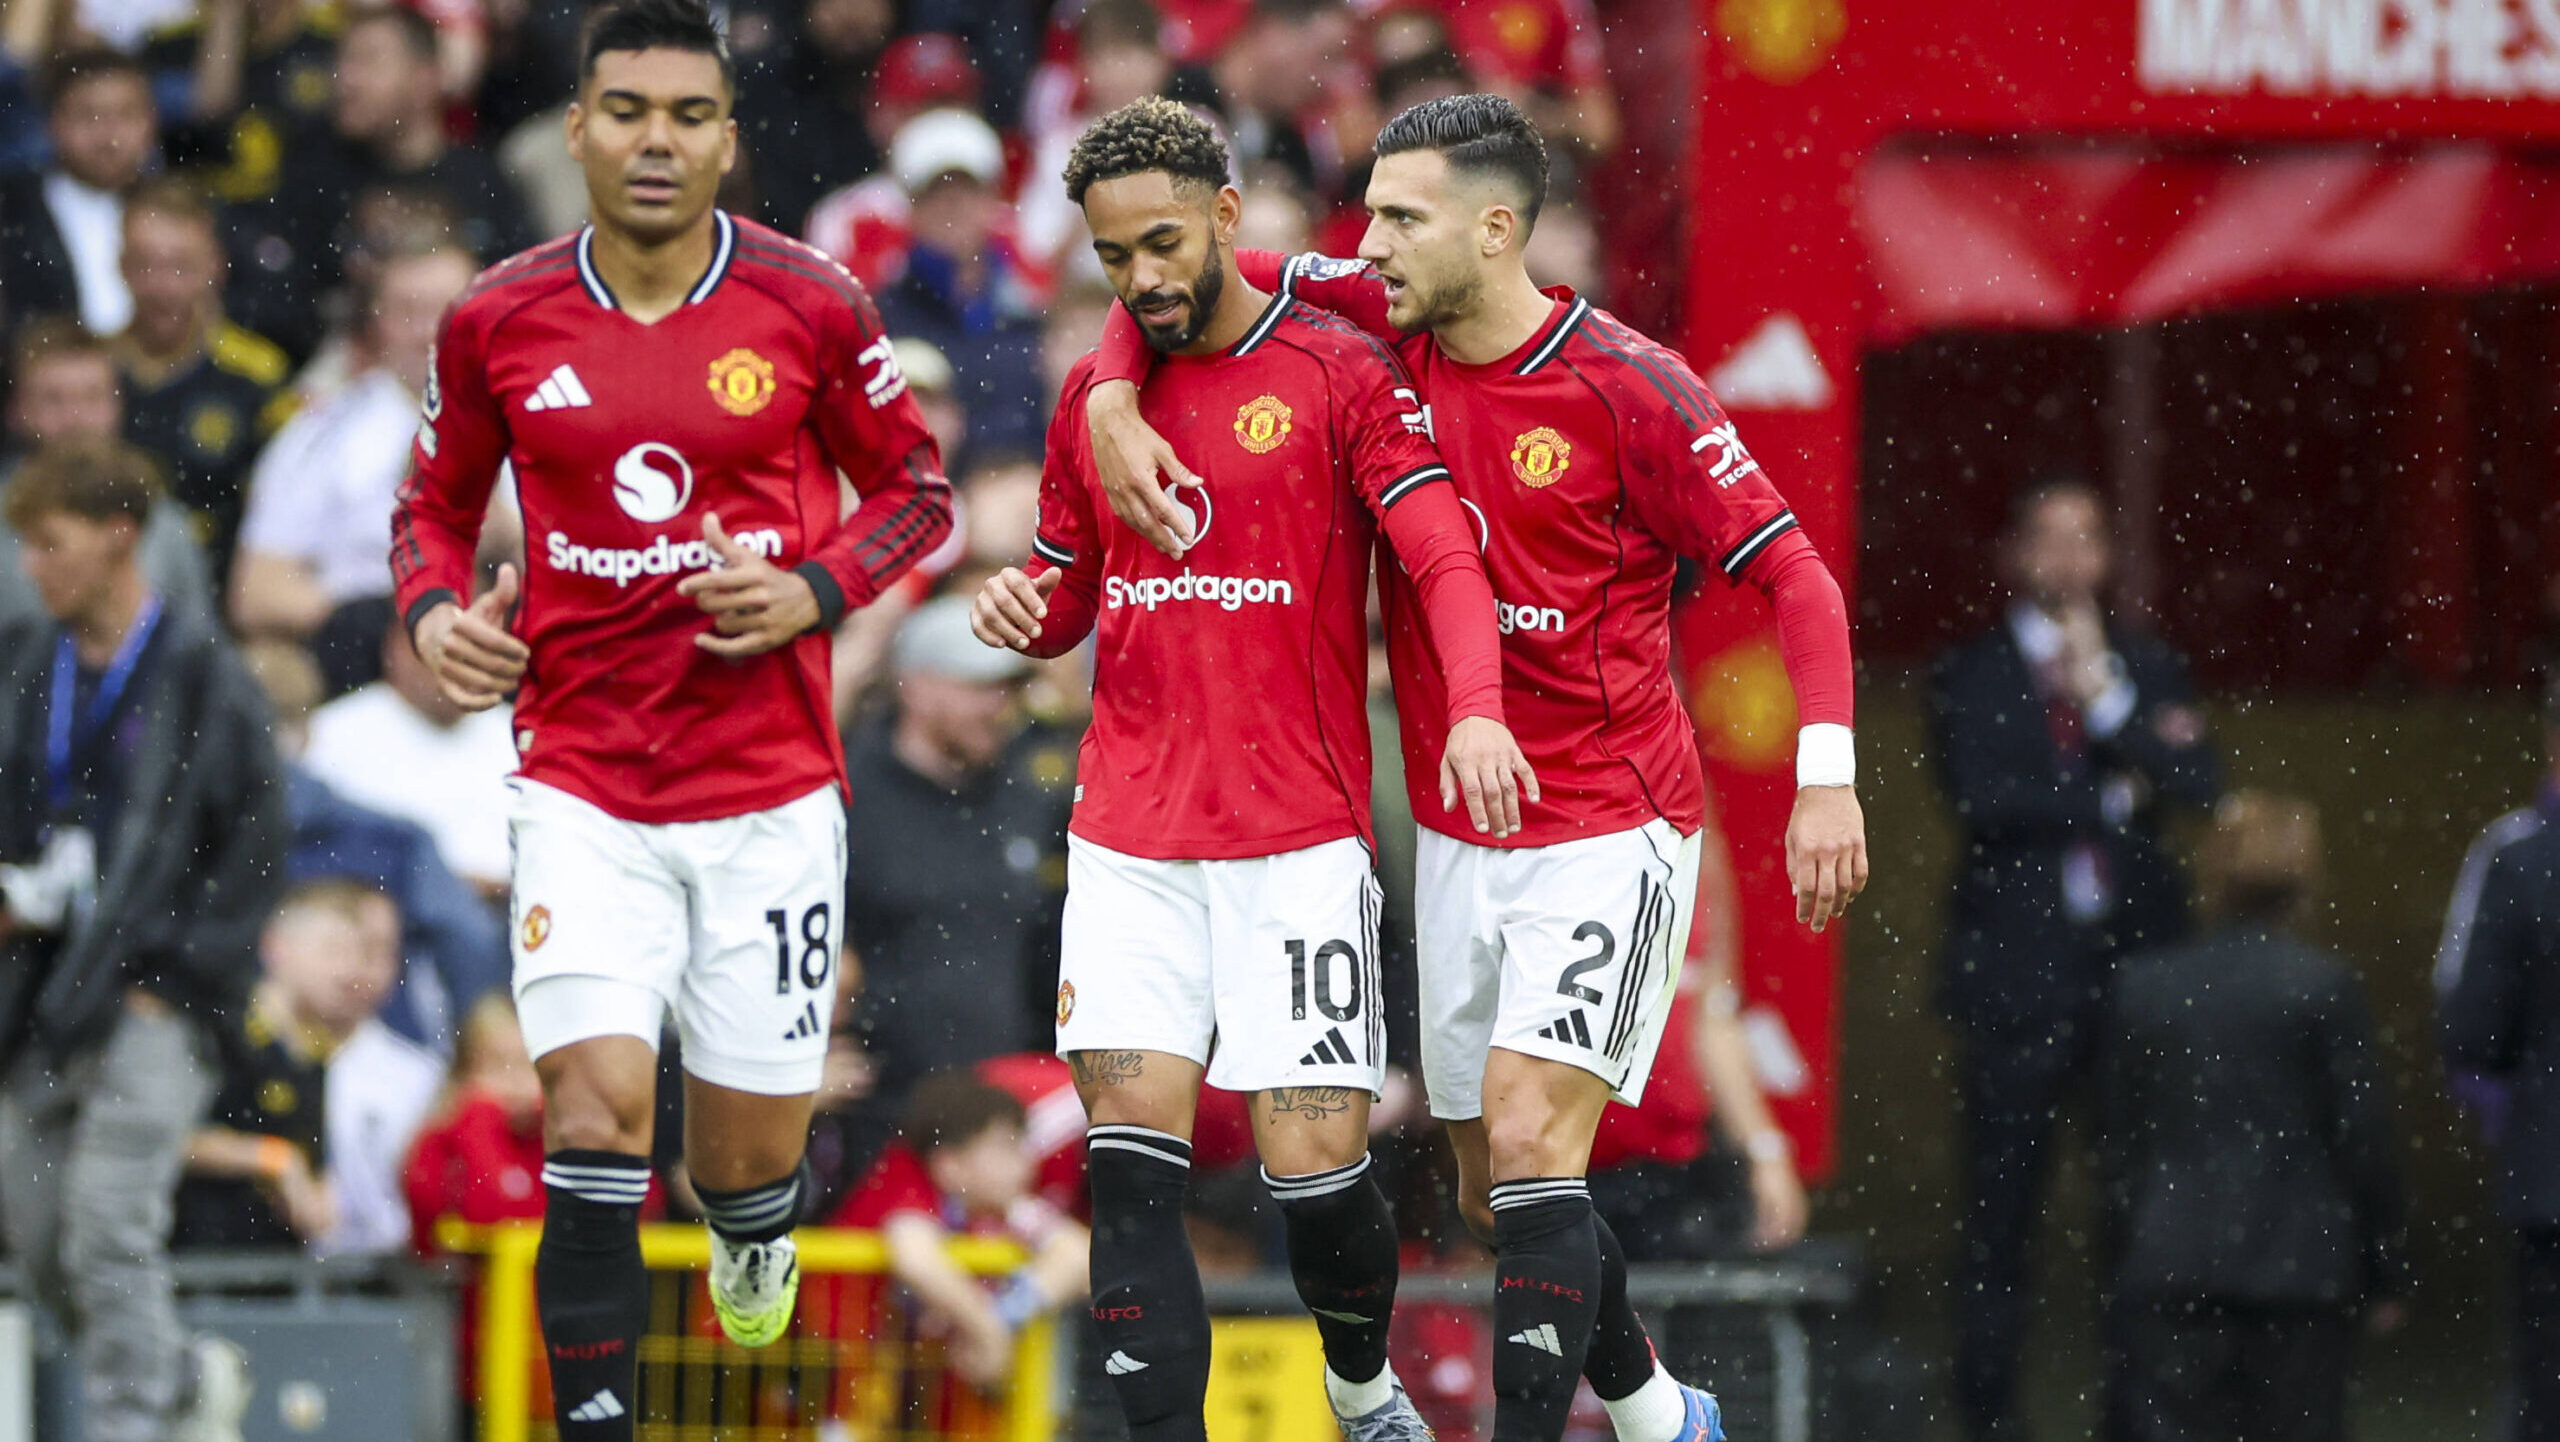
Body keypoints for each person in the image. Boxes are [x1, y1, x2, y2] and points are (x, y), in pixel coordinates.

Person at [1080, 92, 1863, 1442]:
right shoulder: (1376, 317)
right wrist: (1105, 393)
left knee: (1534, 1136)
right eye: (1370, 215)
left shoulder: (1632, 385)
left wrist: (1827, 775)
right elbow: (1183, 268)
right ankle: (1655, 1405)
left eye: (1401, 218)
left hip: (1608, 820)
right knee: (1496, 1187)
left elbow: (1797, 576)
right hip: (1459, 832)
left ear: (1495, 230)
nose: (1367, 243)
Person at [387, 2, 954, 1435]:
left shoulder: (811, 301)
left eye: (689, 115)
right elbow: (430, 509)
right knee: (590, 1120)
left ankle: (755, 1226)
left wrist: (815, 588)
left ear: (726, 137)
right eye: (628, 111)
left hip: (769, 793)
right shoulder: (497, 317)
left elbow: (917, 492)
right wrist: (435, 614)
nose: (657, 140)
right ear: (578, 127)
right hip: (580, 784)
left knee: (742, 1163)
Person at [967, 95, 1526, 1442]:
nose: (1142, 279)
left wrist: (1476, 709)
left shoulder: (1339, 371)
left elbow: (1444, 555)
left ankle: (1361, 1385)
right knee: (1128, 1170)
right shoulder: (1093, 402)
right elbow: (1066, 585)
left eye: (1163, 243)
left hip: (1297, 841)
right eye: (1113, 257)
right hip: (1127, 840)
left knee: (1316, 1171)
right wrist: (1020, 609)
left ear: (1226, 216)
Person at [0, 437, 283, 1442]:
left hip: (158, 997)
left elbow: (256, 845)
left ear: (119, 536)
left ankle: (136, 1424)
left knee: (107, 1223)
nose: (32, 564)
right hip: (42, 993)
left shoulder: (208, 678)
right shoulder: (26, 664)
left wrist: (182, 979)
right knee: (40, 1237)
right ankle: (178, 1379)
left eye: (50, 542)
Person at [1928, 476, 2221, 1442]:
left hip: (2134, 977)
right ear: (2014, 554)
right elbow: (1983, 800)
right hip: (2014, 982)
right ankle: (1987, 1417)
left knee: (2138, 1216)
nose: (2066, 557)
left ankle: (2137, 1416)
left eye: (2085, 537)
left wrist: (2108, 705)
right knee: (1998, 1220)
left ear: (2106, 554)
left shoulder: (2147, 665)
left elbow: (2198, 784)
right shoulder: (1971, 671)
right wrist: (2110, 799)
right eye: (2047, 537)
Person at [2097, 791, 2406, 1442]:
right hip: (2298, 1270)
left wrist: (2125, 1249)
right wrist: (2387, 1266)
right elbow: (2363, 1138)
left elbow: (2118, 1140)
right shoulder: (2321, 988)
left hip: (2174, 1262)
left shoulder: (2147, 987)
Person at [842, 595, 1074, 1108]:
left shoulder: (1029, 795)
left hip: (1008, 1107)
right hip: (883, 1109)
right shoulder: (848, 796)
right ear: (917, 687)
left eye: (1009, 689)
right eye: (980, 687)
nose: (1000, 707)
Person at [231, 242, 478, 695]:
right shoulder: (321, 433)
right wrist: (375, 618)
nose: (430, 332)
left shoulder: (542, 419)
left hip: (505, 651)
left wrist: (502, 533)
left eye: (447, 310)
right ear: (377, 321)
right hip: (364, 671)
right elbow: (256, 594)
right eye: (409, 311)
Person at [2437, 670, 2560, 1442]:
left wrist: (2507, 1101)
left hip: (2550, 1175)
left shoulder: (2519, 858)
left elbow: (2472, 1026)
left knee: (2546, 1393)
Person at [829, 1070, 1091, 1392]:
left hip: (897, 1380)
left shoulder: (1001, 1203)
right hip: (832, 1369)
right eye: (1006, 1148)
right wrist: (987, 1330)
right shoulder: (905, 1177)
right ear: (950, 1164)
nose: (1024, 1163)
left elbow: (1079, 1255)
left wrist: (1004, 1315)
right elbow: (916, 1258)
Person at [175, 877, 401, 1249]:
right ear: (276, 947)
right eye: (333, 950)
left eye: (357, 953)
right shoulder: (220, 1030)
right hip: (193, 1257)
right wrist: (272, 1159)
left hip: (282, 1267)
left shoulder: (329, 1056)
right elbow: (160, 1135)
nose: (349, 970)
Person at [110, 174, 295, 586]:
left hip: (222, 588)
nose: (161, 286)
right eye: (145, 265)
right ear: (120, 266)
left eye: (180, 267)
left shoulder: (257, 376)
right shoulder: (92, 373)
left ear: (215, 267)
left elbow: (287, 507)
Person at [0, 319, 215, 629]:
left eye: (92, 397)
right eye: (53, 399)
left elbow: (195, 643)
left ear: (119, 405)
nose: (75, 418)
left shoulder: (163, 522)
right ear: (18, 411)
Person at [301, 618, 519, 896]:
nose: (457, 666)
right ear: (397, 648)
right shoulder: (331, 731)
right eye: (446, 650)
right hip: (391, 906)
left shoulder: (520, 733)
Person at [0, 49, 159, 338]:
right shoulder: (11, 210)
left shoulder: (187, 209)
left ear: (150, 121)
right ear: (53, 122)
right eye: (89, 116)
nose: (108, 136)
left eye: (125, 114)